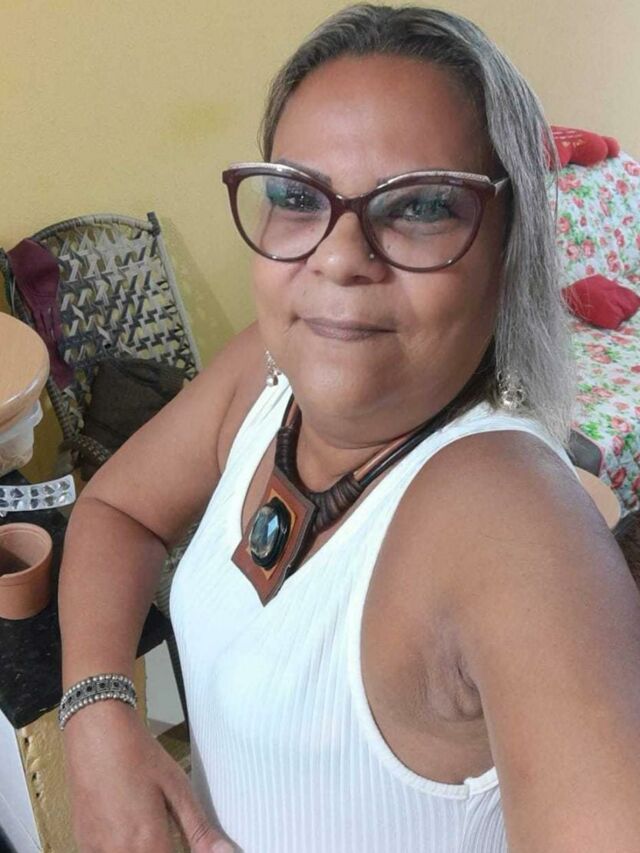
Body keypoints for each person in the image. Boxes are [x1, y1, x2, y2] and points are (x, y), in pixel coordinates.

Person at [59, 5, 640, 852]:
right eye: (297, 196)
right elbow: (116, 510)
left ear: (510, 245)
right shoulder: (268, 369)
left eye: (422, 206)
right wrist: (98, 716)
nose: (337, 256)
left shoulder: (511, 519)